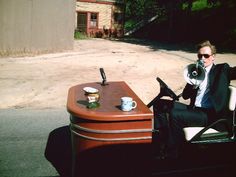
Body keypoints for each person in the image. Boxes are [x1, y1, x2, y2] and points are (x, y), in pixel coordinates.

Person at [153, 40, 236, 158]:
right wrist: (193, 81)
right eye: (200, 56)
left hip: (210, 115)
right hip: (195, 109)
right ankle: (162, 140)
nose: (203, 58)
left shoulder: (222, 70)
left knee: (175, 114)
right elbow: (186, 96)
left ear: (213, 57)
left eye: (206, 56)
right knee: (160, 104)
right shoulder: (195, 72)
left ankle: (172, 152)